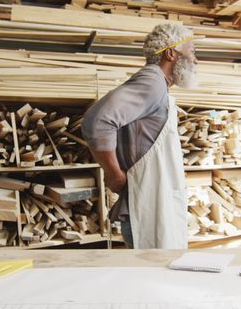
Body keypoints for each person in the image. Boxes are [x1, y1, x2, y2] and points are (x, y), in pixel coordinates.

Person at [82, 23, 199, 249]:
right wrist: (114, 173)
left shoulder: (159, 86)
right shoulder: (152, 82)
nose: (195, 60)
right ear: (171, 53)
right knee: (152, 275)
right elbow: (97, 121)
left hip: (156, 199)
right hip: (147, 202)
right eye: (192, 51)